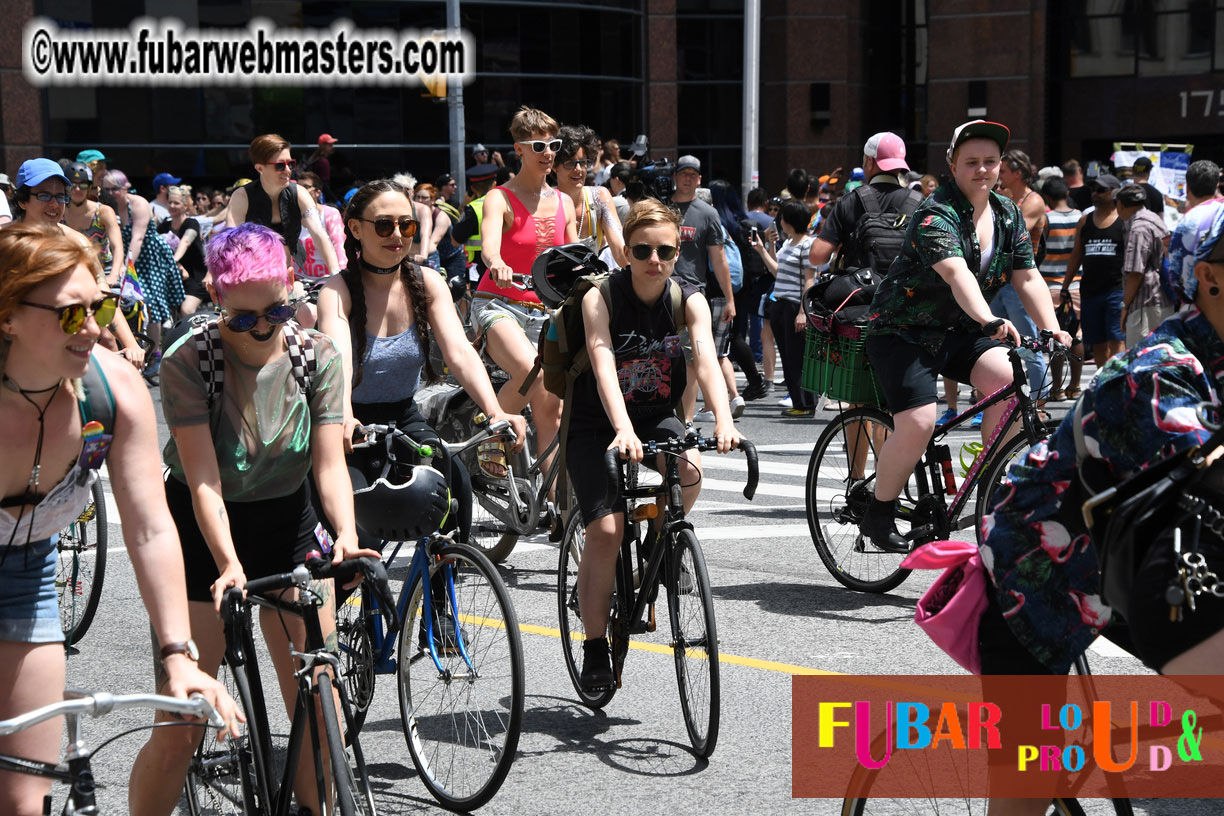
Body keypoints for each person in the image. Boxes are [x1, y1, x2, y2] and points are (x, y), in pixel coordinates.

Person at [978, 208, 1224, 816]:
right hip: (1034, 567)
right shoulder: (1160, 371)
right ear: (1212, 278)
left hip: (1143, 553)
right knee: (1027, 782)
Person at [127, 223, 374, 816]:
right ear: (216, 297)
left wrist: (345, 533)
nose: (263, 328)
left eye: (277, 310)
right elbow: (204, 476)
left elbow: (329, 463)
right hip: (203, 526)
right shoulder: (191, 360)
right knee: (182, 722)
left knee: (321, 708)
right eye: (244, 319)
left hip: (288, 517)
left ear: (293, 287)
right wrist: (229, 562)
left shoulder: (317, 355)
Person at [0, 224, 239, 815]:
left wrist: (178, 655)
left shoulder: (112, 391)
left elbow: (151, 529)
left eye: (100, 307)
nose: (93, 328)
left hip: (25, 577)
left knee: (23, 801)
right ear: (6, 316)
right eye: (67, 314)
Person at [859, 120, 1070, 552]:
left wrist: (1052, 328)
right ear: (952, 164)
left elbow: (1027, 276)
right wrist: (989, 318)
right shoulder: (936, 212)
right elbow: (956, 273)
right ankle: (877, 510)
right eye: (971, 162)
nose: (982, 170)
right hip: (904, 330)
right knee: (919, 422)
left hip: (957, 330)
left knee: (1011, 385)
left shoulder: (1009, 212)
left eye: (990, 162)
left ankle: (991, 487)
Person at [570, 199, 742, 689]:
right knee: (605, 532)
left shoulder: (686, 298)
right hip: (596, 421)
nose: (654, 259)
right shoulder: (599, 297)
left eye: (665, 250)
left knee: (690, 473)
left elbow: (705, 357)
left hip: (655, 413)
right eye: (642, 249)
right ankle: (595, 646)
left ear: (676, 250)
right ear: (626, 249)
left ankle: (658, 548)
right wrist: (620, 427)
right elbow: (603, 363)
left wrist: (725, 418)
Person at [316, 179, 526, 548]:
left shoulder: (427, 282)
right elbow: (338, 362)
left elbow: (459, 353)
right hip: (347, 422)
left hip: (402, 414)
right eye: (384, 225)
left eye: (406, 224)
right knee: (362, 535)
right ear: (355, 228)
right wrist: (346, 415)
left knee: (454, 485)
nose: (396, 234)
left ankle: (440, 598)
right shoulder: (338, 290)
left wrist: (496, 411)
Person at [477, 106, 578, 500]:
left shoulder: (565, 202)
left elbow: (570, 259)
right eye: (539, 145)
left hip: (546, 309)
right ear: (519, 148)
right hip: (498, 303)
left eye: (554, 145)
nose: (548, 152)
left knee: (551, 410)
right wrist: (497, 262)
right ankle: (492, 430)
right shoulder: (499, 197)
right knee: (532, 374)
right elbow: (488, 246)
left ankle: (557, 505)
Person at [14, 160, 145, 369]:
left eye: (60, 196)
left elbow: (102, 296)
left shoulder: (78, 243)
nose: (54, 204)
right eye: (44, 195)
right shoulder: (8, 244)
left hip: (72, 347)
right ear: (23, 201)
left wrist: (131, 344)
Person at [670, 155, 739, 422]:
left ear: (699, 180)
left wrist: (729, 299)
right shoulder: (662, 207)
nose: (688, 179)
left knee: (689, 361)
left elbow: (719, 260)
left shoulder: (708, 213)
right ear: (675, 176)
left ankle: (685, 420)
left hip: (692, 295)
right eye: (683, 173)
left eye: (693, 175)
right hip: (658, 292)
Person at [227, 133, 341, 279]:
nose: (288, 170)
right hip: (251, 279)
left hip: (289, 279)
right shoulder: (241, 197)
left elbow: (319, 233)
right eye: (280, 165)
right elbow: (230, 243)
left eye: (291, 163)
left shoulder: (300, 194)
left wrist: (335, 272)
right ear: (260, 168)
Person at [101, 169, 186, 357]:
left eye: (115, 189)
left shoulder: (138, 203)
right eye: (107, 189)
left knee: (149, 300)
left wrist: (125, 265)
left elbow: (137, 239)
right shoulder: (106, 205)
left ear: (125, 188)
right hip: (122, 256)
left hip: (148, 256)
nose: (111, 193)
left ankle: (155, 351)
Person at [991, 149, 1051, 401]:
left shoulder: (1033, 201)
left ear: (1018, 173)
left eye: (1003, 171)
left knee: (1028, 345)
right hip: (999, 281)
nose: (998, 176)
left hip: (1019, 282)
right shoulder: (1007, 199)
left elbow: (1011, 233)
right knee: (994, 343)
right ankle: (1002, 397)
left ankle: (1039, 400)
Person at [751, 200, 816, 416]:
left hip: (795, 305)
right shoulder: (789, 242)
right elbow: (776, 271)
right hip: (780, 303)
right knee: (788, 357)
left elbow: (809, 281)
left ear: (789, 221)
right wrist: (763, 249)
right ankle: (798, 402)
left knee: (797, 357)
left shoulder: (807, 245)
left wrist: (802, 312)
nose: (780, 221)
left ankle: (805, 404)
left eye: (783, 218)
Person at [708, 179, 768, 401]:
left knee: (727, 338)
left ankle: (752, 382)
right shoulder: (742, 223)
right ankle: (754, 382)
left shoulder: (716, 223)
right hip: (744, 286)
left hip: (721, 285)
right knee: (735, 335)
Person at [1061, 173, 1126, 368]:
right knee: (1097, 341)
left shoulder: (1124, 221)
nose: (1095, 194)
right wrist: (1065, 286)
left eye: (1101, 190)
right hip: (1090, 290)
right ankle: (1101, 380)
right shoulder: (1085, 220)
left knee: (1116, 339)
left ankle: (1116, 380)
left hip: (1117, 289)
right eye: (1093, 190)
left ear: (1114, 193)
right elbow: (1076, 254)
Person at [554, 124, 628, 268]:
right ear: (554, 166)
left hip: (589, 283)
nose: (578, 170)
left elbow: (620, 249)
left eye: (583, 163)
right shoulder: (546, 202)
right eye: (570, 163)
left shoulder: (599, 197)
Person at [1039, 177, 1085, 400]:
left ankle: (1056, 388)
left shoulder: (1047, 219)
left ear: (1047, 197)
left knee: (1055, 337)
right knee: (1077, 336)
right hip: (1077, 282)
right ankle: (1075, 387)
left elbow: (1039, 249)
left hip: (1050, 284)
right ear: (1067, 194)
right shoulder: (1081, 217)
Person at [1117, 183, 1174, 347]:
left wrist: (1124, 306)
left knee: (1141, 361)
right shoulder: (1154, 218)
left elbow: (1135, 273)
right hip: (1161, 300)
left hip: (1145, 304)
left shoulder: (1139, 227)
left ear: (1120, 204)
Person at [1169, 160, 1224, 305]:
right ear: (1216, 185)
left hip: (1203, 306)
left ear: (1187, 188)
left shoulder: (1188, 222)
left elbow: (1175, 275)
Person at [157, 186, 209, 316]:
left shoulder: (192, 223)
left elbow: (185, 242)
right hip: (173, 276)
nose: (172, 206)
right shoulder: (164, 226)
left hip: (195, 277)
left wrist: (173, 260)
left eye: (177, 203)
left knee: (186, 310)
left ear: (185, 206)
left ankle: (195, 336)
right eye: (170, 202)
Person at [451, 162, 499, 285]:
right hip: (508, 270)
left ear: (472, 189)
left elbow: (455, 241)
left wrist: (462, 206)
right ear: (494, 184)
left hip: (482, 272)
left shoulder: (472, 209)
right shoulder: (509, 204)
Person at [294, 170, 347, 281]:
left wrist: (341, 277)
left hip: (328, 279)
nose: (300, 192)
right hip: (299, 279)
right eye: (297, 188)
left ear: (318, 192)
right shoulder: (289, 216)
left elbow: (339, 245)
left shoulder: (330, 214)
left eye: (306, 187)